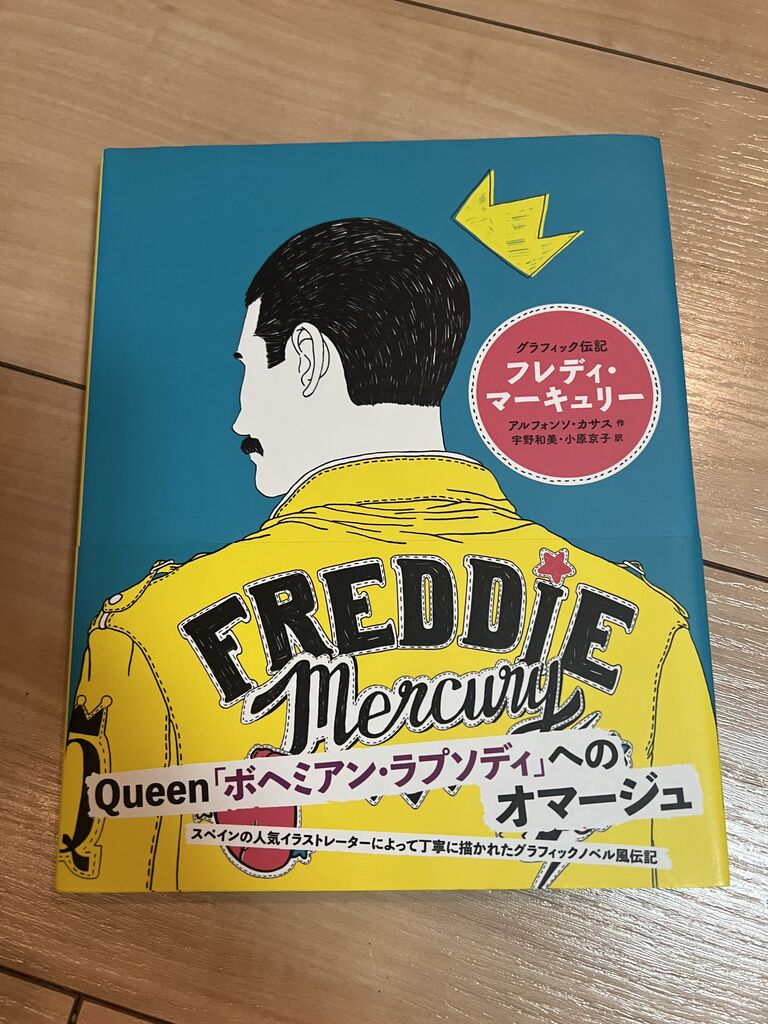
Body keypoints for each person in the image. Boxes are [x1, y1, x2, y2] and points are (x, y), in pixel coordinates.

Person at [58, 219, 727, 893]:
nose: (239, 419)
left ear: (308, 358)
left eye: (249, 368)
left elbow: (112, 886)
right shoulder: (652, 636)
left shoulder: (149, 635)